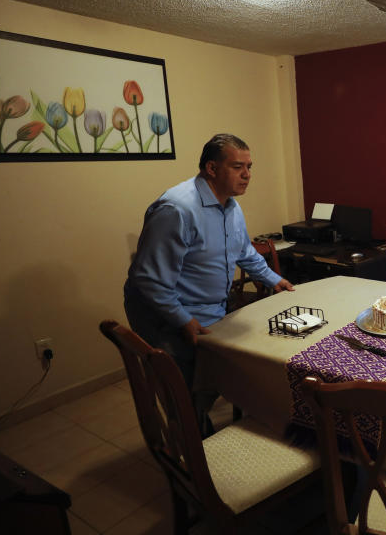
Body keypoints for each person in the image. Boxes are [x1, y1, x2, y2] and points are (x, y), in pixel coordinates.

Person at [124, 133, 293, 389]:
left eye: (249, 167)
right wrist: (183, 320)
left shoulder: (231, 206)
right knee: (183, 395)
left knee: (210, 386)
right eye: (238, 167)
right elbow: (149, 279)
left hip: (211, 312)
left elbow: (244, 251)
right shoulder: (177, 209)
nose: (247, 174)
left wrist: (274, 279)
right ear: (211, 168)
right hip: (170, 318)